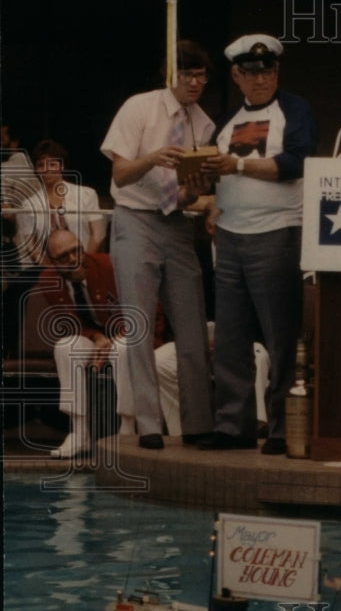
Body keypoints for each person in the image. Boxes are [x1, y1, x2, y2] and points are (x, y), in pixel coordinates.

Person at [198, 34, 317, 453]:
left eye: (268, 70)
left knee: (280, 335)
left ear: (277, 71)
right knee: (230, 336)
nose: (261, 78)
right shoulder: (227, 120)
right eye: (251, 72)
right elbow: (216, 170)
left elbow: (296, 162)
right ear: (236, 75)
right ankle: (233, 426)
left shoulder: (294, 110)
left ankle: (284, 427)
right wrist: (207, 192)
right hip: (230, 235)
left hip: (277, 231)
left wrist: (240, 164)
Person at [100, 40, 214, 450]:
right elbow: (120, 174)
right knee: (140, 324)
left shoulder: (203, 125)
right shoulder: (140, 107)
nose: (195, 83)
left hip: (176, 223)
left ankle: (197, 423)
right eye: (187, 75)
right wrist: (153, 158)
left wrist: (194, 191)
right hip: (134, 219)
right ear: (172, 75)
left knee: (192, 324)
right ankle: (148, 423)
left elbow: (183, 197)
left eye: (201, 76)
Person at [37, 229, 140, 459]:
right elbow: (69, 323)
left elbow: (142, 309)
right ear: (51, 262)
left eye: (76, 250)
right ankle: (79, 431)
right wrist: (97, 338)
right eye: (64, 256)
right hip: (95, 338)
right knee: (65, 347)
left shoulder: (109, 265)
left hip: (129, 333)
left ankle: (127, 427)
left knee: (122, 348)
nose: (73, 259)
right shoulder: (47, 279)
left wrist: (112, 340)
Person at [154, 322, 270, 437]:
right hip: (190, 340)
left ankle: (253, 424)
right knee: (158, 360)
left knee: (258, 353)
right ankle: (187, 430)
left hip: (236, 340)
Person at [14, 140, 106, 270]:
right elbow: (31, 246)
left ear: (61, 166)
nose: (46, 169)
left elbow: (98, 233)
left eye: (52, 164)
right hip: (49, 271)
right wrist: (52, 269)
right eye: (40, 165)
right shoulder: (28, 205)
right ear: (36, 170)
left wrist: (84, 262)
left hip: (86, 266)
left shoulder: (87, 194)